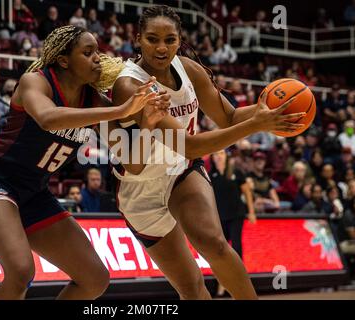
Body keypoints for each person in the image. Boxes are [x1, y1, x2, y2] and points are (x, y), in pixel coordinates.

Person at [110, 5, 304, 300]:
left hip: (181, 171)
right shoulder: (130, 85)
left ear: (180, 39)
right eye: (152, 39)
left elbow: (228, 118)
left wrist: (271, 109)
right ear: (137, 39)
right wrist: (257, 124)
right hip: (140, 189)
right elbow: (189, 143)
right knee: (190, 287)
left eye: (170, 39)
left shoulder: (189, 69)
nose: (162, 48)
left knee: (213, 243)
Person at [0, 25, 165, 300]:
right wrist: (120, 110)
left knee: (95, 279)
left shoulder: (92, 101)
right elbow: (47, 117)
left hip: (35, 192)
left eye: (98, 52)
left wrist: (149, 124)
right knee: (20, 271)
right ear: (64, 60)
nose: (97, 59)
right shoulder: (36, 81)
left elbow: (132, 161)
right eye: (88, 52)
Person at [209, 149, 255, 296]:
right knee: (220, 250)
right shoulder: (210, 176)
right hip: (219, 217)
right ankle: (222, 284)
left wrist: (251, 211)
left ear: (226, 156)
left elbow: (247, 191)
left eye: (221, 153)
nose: (219, 156)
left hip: (236, 214)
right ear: (213, 157)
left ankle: (239, 282)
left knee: (236, 247)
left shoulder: (235, 172)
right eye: (216, 154)